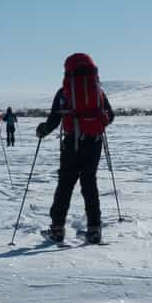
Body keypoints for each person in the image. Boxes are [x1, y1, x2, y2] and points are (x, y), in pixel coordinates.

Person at [33, 53, 113, 244]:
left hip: (72, 143)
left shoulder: (64, 92)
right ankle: (94, 229)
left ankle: (57, 228)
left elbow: (54, 119)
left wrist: (43, 130)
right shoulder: (99, 92)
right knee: (89, 184)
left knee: (65, 185)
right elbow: (111, 115)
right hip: (93, 142)